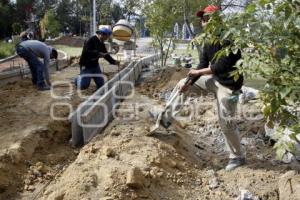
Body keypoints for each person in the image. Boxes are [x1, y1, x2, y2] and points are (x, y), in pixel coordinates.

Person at [149, 5, 245, 171]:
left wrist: (198, 71)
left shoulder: (228, 39)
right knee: (182, 83)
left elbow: (222, 66)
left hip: (229, 86)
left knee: (226, 122)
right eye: (202, 18)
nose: (203, 21)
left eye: (207, 18)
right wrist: (189, 83)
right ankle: (165, 119)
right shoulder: (207, 40)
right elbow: (202, 64)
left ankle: (237, 157)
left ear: (217, 20)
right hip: (215, 80)